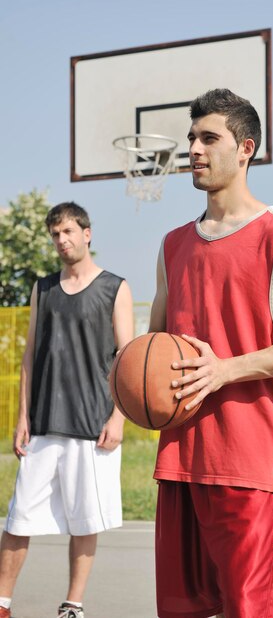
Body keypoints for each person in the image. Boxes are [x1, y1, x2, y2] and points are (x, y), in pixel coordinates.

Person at [148, 88, 273, 618]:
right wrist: (137, 385)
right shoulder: (172, 245)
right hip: (181, 461)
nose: (195, 149)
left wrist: (226, 369)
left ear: (245, 149)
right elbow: (156, 350)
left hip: (251, 465)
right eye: (192, 138)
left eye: (209, 138)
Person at [0, 202, 134, 618]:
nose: (62, 240)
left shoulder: (115, 287)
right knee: (18, 519)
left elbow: (127, 360)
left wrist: (118, 417)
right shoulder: (43, 288)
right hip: (42, 424)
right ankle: (2, 602)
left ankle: (72, 604)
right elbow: (29, 357)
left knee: (83, 521)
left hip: (93, 425)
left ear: (87, 233)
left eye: (69, 232)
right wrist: (23, 417)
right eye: (55, 234)